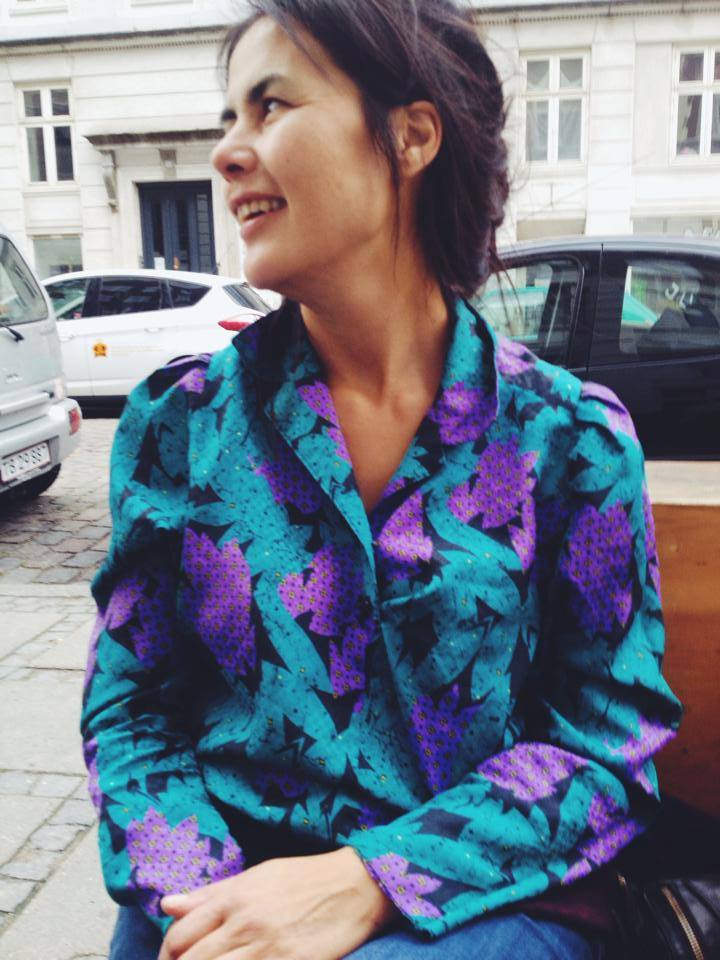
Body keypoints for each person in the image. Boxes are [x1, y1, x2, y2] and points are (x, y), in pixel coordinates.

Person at [80, 2, 682, 958]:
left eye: (271, 106)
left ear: (410, 137)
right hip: (221, 885)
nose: (227, 154)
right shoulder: (182, 425)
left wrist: (372, 879)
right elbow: (131, 710)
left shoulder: (569, 440)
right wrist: (209, 907)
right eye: (227, 118)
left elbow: (604, 744)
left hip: (479, 894)